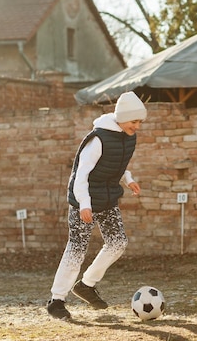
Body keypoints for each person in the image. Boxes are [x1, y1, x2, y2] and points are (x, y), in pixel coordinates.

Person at [47, 91, 147, 320]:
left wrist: (129, 180)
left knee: (118, 242)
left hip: (108, 196)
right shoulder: (98, 139)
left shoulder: (127, 136)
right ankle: (56, 301)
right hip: (84, 199)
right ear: (122, 117)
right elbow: (81, 174)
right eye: (134, 121)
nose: (137, 126)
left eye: (140, 122)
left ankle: (86, 285)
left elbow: (117, 164)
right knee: (77, 249)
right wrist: (84, 205)